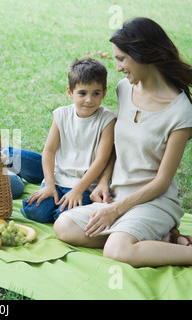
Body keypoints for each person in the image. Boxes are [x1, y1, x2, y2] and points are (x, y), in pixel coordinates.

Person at [53, 17, 192, 267]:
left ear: (143, 55)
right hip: (117, 196)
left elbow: (162, 181)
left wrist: (115, 212)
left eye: (121, 59)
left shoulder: (181, 112)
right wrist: (104, 181)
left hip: (154, 201)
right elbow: (118, 145)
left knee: (116, 251)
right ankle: (160, 241)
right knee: (64, 226)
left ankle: (151, 239)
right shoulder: (123, 89)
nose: (117, 67)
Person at [20, 58, 116, 223]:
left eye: (96, 93)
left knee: (65, 217)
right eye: (82, 93)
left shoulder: (107, 119)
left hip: (84, 185)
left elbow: (102, 159)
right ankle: (4, 163)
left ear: (104, 93)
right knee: (35, 211)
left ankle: (59, 210)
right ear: (70, 92)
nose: (89, 100)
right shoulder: (61, 115)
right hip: (57, 179)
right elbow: (49, 151)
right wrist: (49, 185)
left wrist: (78, 190)